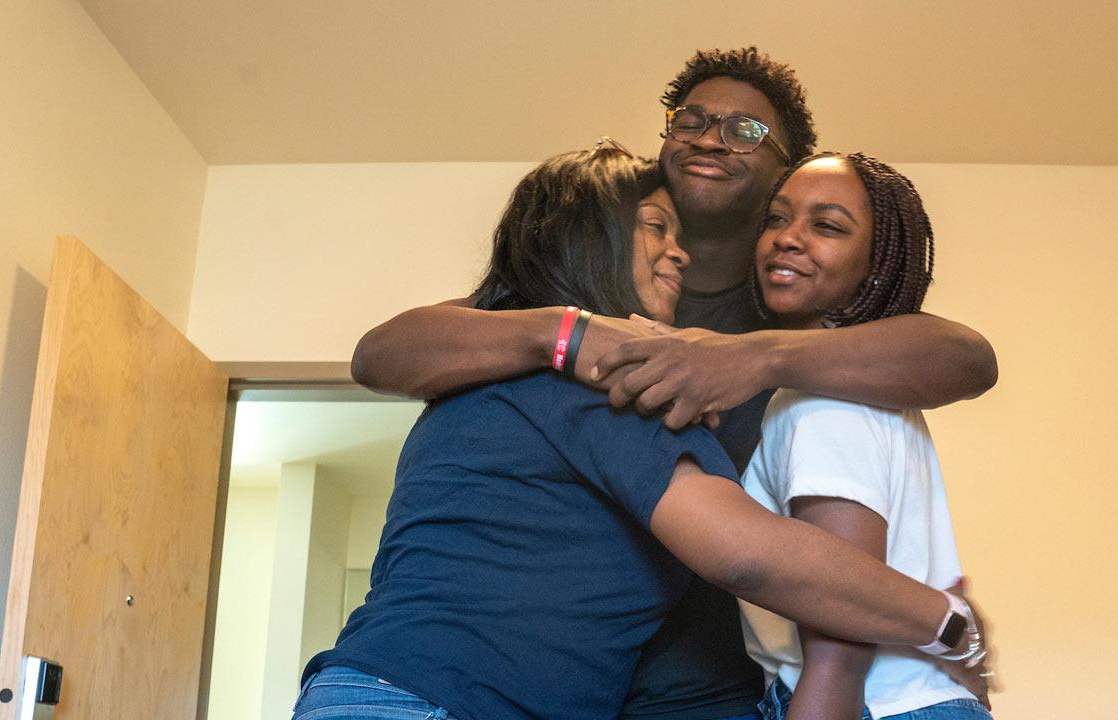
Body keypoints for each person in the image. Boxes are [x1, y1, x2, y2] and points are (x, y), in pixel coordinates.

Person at [348, 48, 998, 717]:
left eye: (746, 130)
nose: (711, 136)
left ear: (787, 167)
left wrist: (755, 358)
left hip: (711, 689)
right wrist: (567, 334)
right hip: (547, 682)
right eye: (689, 120)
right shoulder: (591, 304)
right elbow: (381, 354)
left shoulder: (787, 311)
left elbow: (968, 357)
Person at [738, 153, 993, 720]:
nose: (788, 239)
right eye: (777, 219)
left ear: (876, 264)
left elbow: (840, 640)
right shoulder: (863, 387)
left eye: (827, 226)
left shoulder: (823, 407)